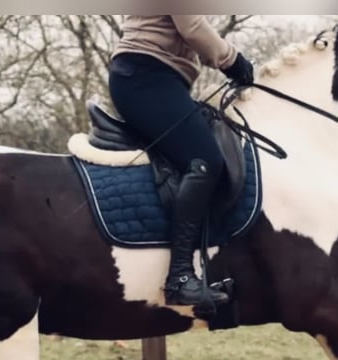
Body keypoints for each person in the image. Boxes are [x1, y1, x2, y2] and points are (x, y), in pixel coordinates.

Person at [108, 15, 255, 308]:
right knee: (204, 160)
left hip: (154, 78)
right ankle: (179, 278)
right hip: (146, 77)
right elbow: (192, 27)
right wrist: (233, 61)